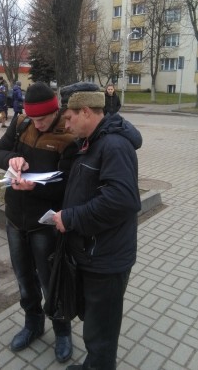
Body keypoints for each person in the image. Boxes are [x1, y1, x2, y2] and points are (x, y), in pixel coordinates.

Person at [52, 82, 142, 370]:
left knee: (102, 331)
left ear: (87, 111)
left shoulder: (113, 145)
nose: (65, 124)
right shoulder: (92, 142)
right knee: (94, 324)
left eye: (69, 117)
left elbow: (122, 200)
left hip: (106, 258)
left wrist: (71, 218)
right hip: (94, 252)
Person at [0, 82, 78, 364]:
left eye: (43, 119)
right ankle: (33, 323)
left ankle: (62, 330)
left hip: (45, 223)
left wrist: (36, 188)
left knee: (51, 280)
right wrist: (11, 158)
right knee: (24, 278)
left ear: (55, 111)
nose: (38, 124)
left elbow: (69, 185)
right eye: (34, 118)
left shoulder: (69, 133)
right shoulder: (20, 123)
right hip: (15, 219)